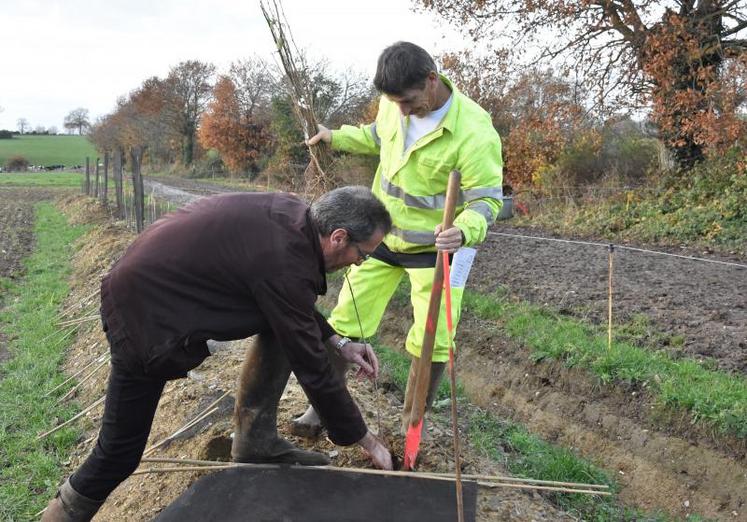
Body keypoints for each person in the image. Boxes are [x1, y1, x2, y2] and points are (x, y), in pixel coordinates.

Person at [42, 186, 394, 522]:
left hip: (149, 284)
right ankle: (64, 512)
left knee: (280, 325)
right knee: (118, 453)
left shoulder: (295, 217)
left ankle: (256, 443)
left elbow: (291, 305)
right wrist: (366, 439)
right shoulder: (284, 260)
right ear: (339, 237)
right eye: (361, 255)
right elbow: (312, 368)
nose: (358, 263)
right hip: (145, 316)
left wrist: (340, 343)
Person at [296, 41, 503, 438]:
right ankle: (322, 409)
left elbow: (487, 201)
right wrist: (334, 137)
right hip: (380, 241)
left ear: (431, 80)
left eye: (407, 101)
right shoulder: (395, 108)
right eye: (394, 102)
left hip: (437, 251)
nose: (402, 110)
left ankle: (411, 428)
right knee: (346, 320)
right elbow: (375, 136)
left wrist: (464, 229)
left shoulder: (475, 132)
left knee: (435, 340)